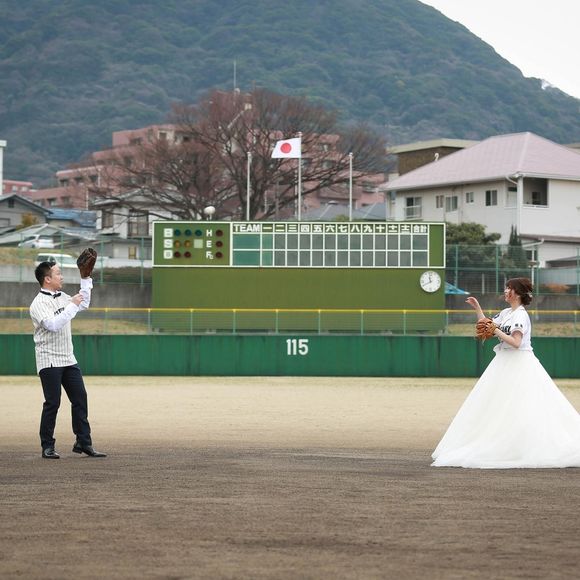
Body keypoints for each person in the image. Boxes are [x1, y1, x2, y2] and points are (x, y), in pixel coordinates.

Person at [432, 277, 580, 469]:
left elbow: (516, 343)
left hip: (520, 363)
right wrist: (478, 309)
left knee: (522, 405)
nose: (506, 291)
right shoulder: (506, 313)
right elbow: (487, 325)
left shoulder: (520, 315)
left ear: (518, 293)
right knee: (498, 405)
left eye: (510, 288)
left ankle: (524, 446)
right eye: (506, 287)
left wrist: (496, 330)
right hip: (503, 361)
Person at [30, 260, 106, 459]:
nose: (61, 276)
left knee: (80, 399)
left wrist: (86, 279)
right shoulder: (38, 304)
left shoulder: (63, 297)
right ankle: (47, 445)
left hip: (68, 358)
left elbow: (84, 303)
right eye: (58, 273)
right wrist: (72, 305)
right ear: (47, 279)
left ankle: (84, 442)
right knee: (52, 403)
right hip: (49, 360)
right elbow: (53, 325)